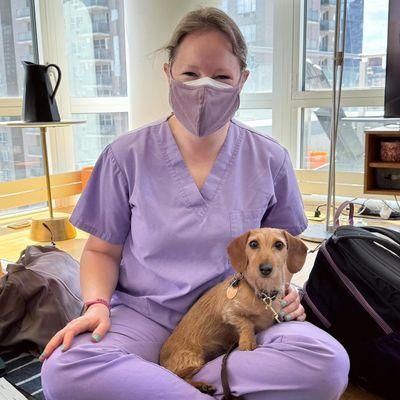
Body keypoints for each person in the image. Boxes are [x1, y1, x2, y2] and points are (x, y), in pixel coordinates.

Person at [40, 7, 349, 400]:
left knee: (327, 362)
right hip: (145, 317)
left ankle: (162, 385)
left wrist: (287, 291)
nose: (204, 88)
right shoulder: (125, 156)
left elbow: (286, 251)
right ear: (168, 73)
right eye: (190, 74)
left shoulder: (270, 159)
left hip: (241, 314)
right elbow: (101, 250)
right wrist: (96, 305)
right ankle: (203, 386)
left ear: (242, 81)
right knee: (65, 369)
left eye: (221, 77)